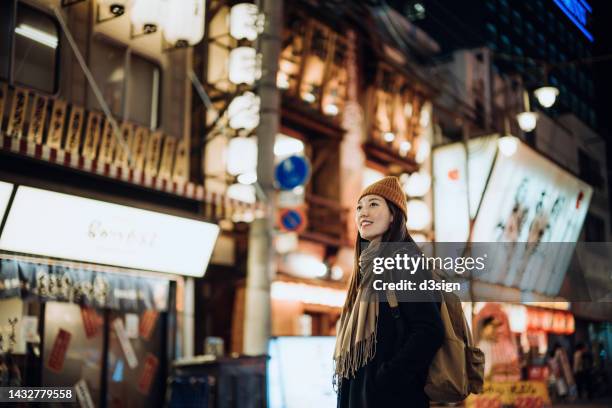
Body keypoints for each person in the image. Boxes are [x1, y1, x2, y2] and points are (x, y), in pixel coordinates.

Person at [334, 177, 444, 408]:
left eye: (374, 204)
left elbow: (429, 331)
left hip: (391, 399)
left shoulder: (404, 262)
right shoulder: (366, 271)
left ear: (394, 215)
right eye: (359, 207)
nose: (364, 212)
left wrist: (386, 379)